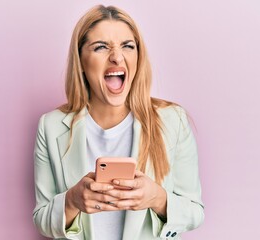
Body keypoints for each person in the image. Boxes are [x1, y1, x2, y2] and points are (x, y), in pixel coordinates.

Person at [33, 5, 204, 240]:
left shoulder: (173, 121)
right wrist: (71, 201)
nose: (116, 56)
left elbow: (195, 212)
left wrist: (157, 198)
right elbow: (42, 220)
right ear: (81, 61)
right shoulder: (50, 127)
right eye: (101, 47)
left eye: (127, 46)